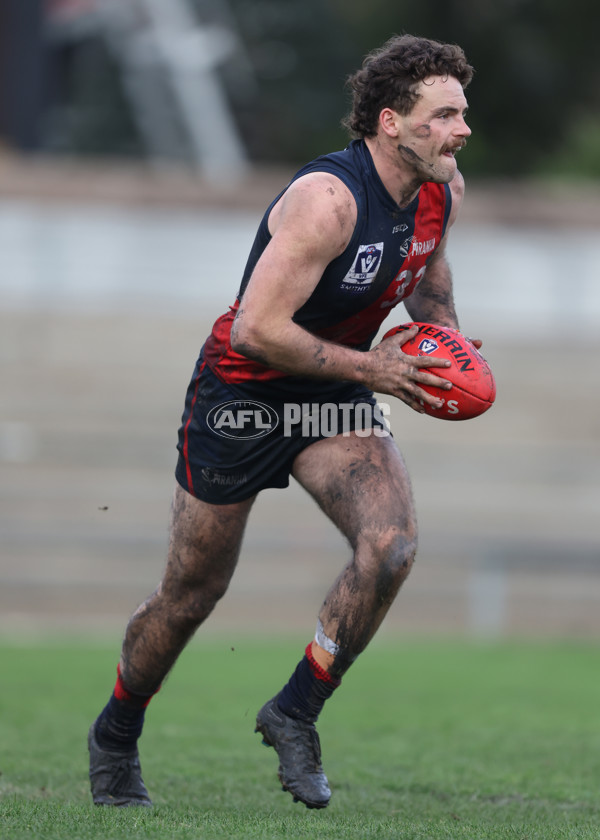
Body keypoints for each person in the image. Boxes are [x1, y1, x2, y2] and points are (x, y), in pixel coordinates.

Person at [88, 33, 476, 810]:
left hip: (330, 394)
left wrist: (449, 347)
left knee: (391, 546)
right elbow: (255, 330)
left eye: (463, 113)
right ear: (390, 123)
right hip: (242, 396)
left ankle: (295, 710)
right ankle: (117, 734)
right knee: (193, 593)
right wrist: (378, 370)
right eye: (443, 115)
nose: (461, 130)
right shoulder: (327, 200)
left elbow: (426, 284)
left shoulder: (443, 189)